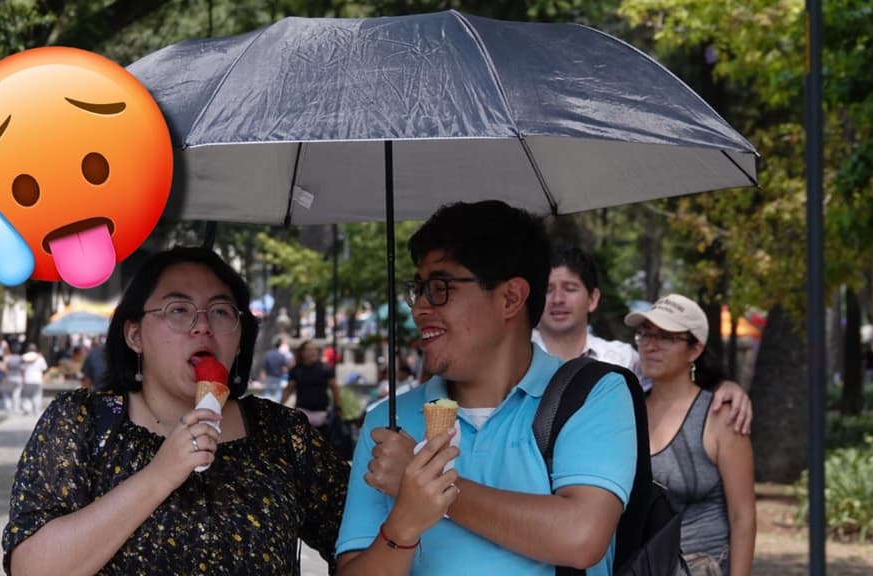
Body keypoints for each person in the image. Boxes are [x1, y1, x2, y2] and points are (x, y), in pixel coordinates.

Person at [3, 246, 349, 575]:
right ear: (135, 335)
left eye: (221, 311)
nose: (203, 325)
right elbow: (31, 568)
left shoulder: (283, 434)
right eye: (179, 310)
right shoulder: (81, 423)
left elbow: (357, 546)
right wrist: (161, 474)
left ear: (240, 338)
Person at [336, 200, 637, 575]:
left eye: (440, 288)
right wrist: (403, 525)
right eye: (419, 289)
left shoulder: (591, 395)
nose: (419, 309)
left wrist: (433, 485)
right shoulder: (390, 422)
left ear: (510, 298)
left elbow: (581, 537)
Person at [536, 245, 753, 435]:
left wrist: (725, 386)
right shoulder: (521, 357)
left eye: (570, 289)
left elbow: (675, 376)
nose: (558, 299)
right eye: (547, 290)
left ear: (593, 299)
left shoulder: (623, 359)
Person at [625, 294, 756, 576]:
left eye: (665, 337)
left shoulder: (721, 416)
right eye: (644, 334)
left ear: (695, 350)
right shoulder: (627, 410)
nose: (650, 346)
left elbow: (743, 516)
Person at [281, 340, 344, 434]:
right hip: (302, 412)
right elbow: (288, 389)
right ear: (302, 353)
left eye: (314, 350)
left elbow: (335, 388)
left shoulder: (325, 369)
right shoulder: (296, 370)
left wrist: (338, 407)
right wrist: (280, 405)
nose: (312, 352)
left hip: (322, 414)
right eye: (308, 350)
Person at [259, 336, 291, 402]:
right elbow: (285, 368)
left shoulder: (268, 354)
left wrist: (263, 375)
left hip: (269, 376)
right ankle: (277, 404)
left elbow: (264, 366)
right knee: (278, 393)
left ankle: (266, 405)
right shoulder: (281, 355)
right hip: (278, 376)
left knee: (267, 392)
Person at [20, 343, 48, 416]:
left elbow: (22, 369)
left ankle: (27, 409)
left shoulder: (24, 356)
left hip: (27, 379)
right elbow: (44, 368)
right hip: (37, 379)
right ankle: (36, 410)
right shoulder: (40, 357)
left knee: (26, 395)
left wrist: (22, 379)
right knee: (37, 395)